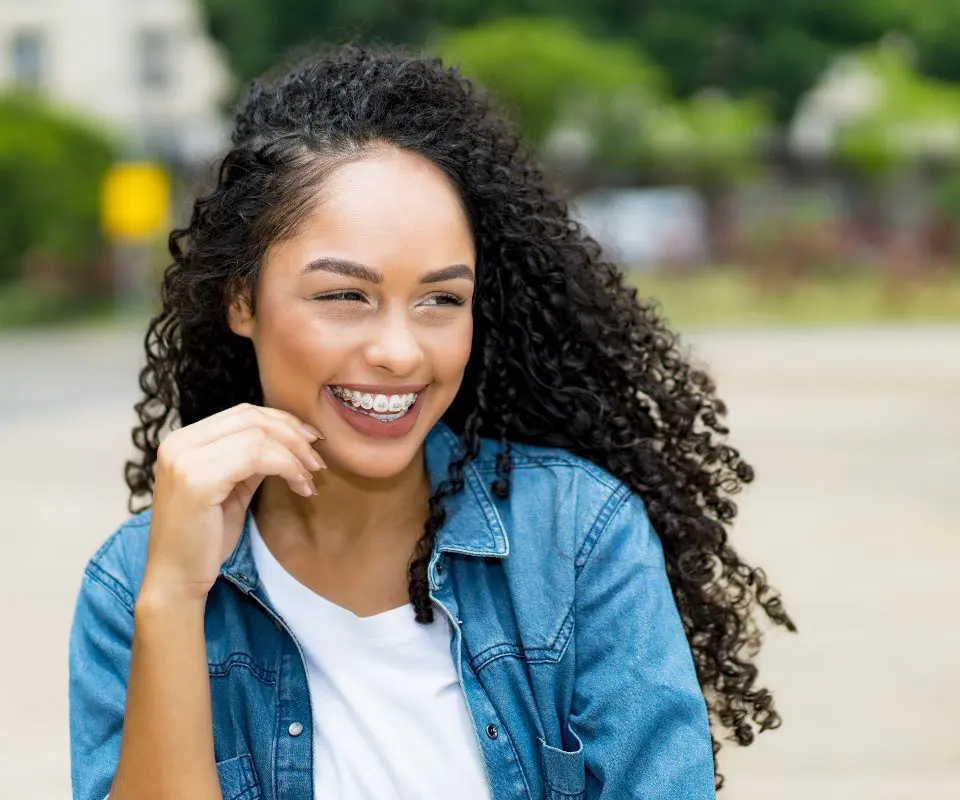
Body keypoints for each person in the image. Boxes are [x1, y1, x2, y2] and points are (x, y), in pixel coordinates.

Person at [68, 45, 795, 800]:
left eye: (441, 300)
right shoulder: (133, 588)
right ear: (241, 301)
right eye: (345, 297)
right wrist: (173, 600)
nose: (398, 351)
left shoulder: (578, 540)